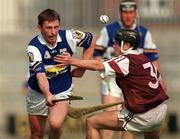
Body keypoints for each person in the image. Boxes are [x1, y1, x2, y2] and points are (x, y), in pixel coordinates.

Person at [54, 29, 169, 139]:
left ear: (127, 46)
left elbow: (98, 65)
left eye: (117, 43)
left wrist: (71, 61)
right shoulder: (144, 59)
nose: (114, 46)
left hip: (143, 115)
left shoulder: (127, 59)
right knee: (150, 130)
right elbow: (157, 85)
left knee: (92, 122)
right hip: (159, 110)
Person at [93, 0, 166, 138]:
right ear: (120, 13)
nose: (128, 16)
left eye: (131, 12)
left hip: (134, 84)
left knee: (129, 126)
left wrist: (161, 82)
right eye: (125, 12)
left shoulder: (144, 33)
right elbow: (97, 55)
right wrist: (103, 70)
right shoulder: (108, 30)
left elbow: (152, 59)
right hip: (112, 81)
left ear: (136, 14)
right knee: (108, 117)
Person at [26, 8, 94, 139]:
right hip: (38, 91)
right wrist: (47, 94)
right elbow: (40, 76)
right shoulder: (33, 47)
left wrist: (82, 66)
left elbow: (90, 40)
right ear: (39, 27)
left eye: (56, 27)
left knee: (55, 124)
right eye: (48, 28)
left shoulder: (69, 36)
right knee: (37, 134)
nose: (53, 32)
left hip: (62, 89)